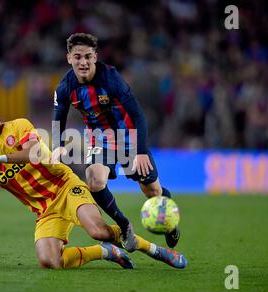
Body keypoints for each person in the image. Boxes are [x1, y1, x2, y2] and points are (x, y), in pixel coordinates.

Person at [0, 94, 187, 270]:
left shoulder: (18, 126)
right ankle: (106, 252)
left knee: (98, 230)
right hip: (45, 210)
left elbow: (33, 154)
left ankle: (154, 250)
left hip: (66, 187)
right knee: (51, 261)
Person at [53, 33, 180, 252]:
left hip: (128, 136)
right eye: (77, 57)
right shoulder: (65, 87)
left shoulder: (111, 79)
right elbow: (59, 117)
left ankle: (169, 220)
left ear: (95, 57)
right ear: (68, 58)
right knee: (94, 180)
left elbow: (138, 115)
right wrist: (58, 145)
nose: (83, 62)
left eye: (87, 57)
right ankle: (124, 225)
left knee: (153, 192)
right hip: (99, 138)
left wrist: (140, 152)